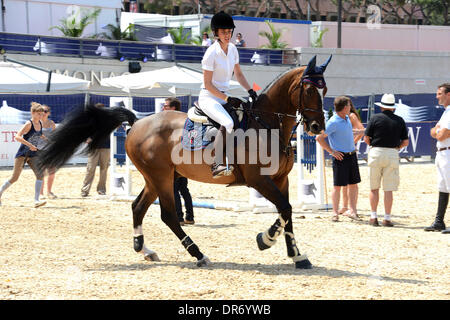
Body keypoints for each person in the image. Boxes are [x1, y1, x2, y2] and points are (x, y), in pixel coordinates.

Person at [199, 11, 257, 178]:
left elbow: (238, 75)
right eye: (223, 32)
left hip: (224, 96)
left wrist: (251, 91)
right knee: (227, 122)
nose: (227, 35)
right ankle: (216, 164)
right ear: (216, 33)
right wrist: (226, 98)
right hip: (209, 97)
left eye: (229, 31)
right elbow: (208, 84)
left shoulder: (232, 49)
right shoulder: (211, 53)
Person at [364, 93, 409, 227]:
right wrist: (396, 148)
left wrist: (374, 146)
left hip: (376, 151)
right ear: (393, 107)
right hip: (391, 153)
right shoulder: (399, 120)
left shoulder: (375, 118)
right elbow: (405, 142)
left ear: (382, 106)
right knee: (388, 189)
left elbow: (366, 138)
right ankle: (387, 218)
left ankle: (373, 217)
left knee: (374, 188)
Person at [316, 96, 362, 222]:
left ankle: (353, 211)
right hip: (340, 157)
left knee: (354, 185)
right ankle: (335, 213)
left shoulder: (347, 118)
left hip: (351, 155)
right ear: (344, 107)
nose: (350, 107)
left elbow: (345, 134)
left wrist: (356, 134)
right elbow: (319, 138)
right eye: (348, 105)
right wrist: (332, 152)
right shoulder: (333, 122)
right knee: (337, 186)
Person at [0, 102, 47, 208]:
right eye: (39, 114)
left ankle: (36, 200)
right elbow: (17, 137)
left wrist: (45, 139)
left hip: (33, 154)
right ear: (33, 113)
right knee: (14, 178)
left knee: (40, 175)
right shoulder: (28, 124)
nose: (41, 116)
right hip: (22, 154)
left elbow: (39, 134)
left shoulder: (40, 123)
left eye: (41, 114)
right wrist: (29, 144)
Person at [163, 97, 195, 225]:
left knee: (175, 189)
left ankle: (179, 217)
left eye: (166, 106)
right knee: (184, 190)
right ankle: (190, 217)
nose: (163, 108)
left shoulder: (172, 123)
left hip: (175, 160)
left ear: (173, 108)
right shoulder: (186, 121)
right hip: (184, 159)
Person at [425, 83, 450, 233]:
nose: (437, 96)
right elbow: (434, 131)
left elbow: (440, 134)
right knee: (442, 187)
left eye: (440, 93)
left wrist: (438, 131)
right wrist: (438, 131)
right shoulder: (445, 112)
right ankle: (439, 221)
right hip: (441, 152)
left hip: (447, 152)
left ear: (448, 95)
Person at [339, 100, 365, 216]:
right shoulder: (342, 117)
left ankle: (350, 207)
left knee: (351, 182)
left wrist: (352, 142)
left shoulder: (351, 116)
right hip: (343, 151)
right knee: (344, 182)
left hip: (349, 151)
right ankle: (345, 206)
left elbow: (361, 131)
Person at [81, 103, 110, 197]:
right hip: (94, 147)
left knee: (104, 169)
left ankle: (101, 189)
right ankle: (85, 190)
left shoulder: (107, 120)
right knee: (90, 169)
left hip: (105, 146)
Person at [39, 104, 57, 199]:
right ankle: (41, 193)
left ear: (49, 113)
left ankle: (49, 192)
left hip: (50, 151)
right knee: (41, 173)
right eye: (41, 111)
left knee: (52, 173)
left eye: (45, 111)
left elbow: (55, 137)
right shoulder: (36, 123)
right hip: (39, 151)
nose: (43, 113)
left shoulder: (51, 123)